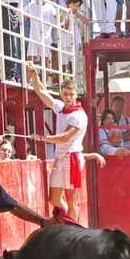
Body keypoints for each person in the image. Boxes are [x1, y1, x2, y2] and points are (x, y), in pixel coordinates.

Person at [29, 73, 102, 221]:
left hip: (72, 158)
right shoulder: (61, 108)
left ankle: (72, 227)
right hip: (61, 158)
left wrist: (43, 138)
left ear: (76, 95)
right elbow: (41, 92)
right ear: (61, 93)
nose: (68, 97)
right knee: (54, 200)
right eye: (65, 94)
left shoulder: (79, 115)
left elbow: (66, 137)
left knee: (71, 199)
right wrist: (35, 75)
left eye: (71, 94)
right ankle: (68, 220)